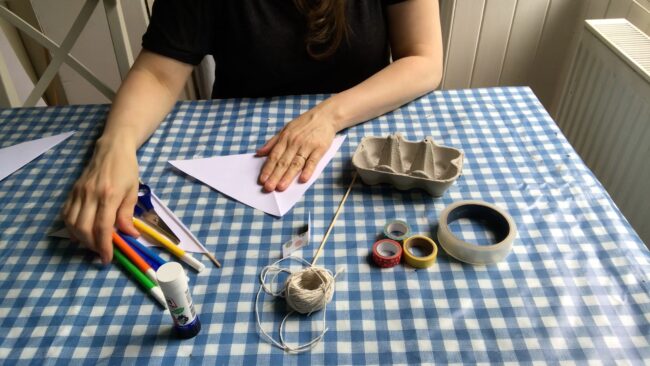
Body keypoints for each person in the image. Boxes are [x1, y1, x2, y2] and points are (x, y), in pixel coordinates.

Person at [63, 0, 443, 264]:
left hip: (362, 134)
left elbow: (423, 59)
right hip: (243, 158)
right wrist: (115, 144)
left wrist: (328, 116)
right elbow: (158, 74)